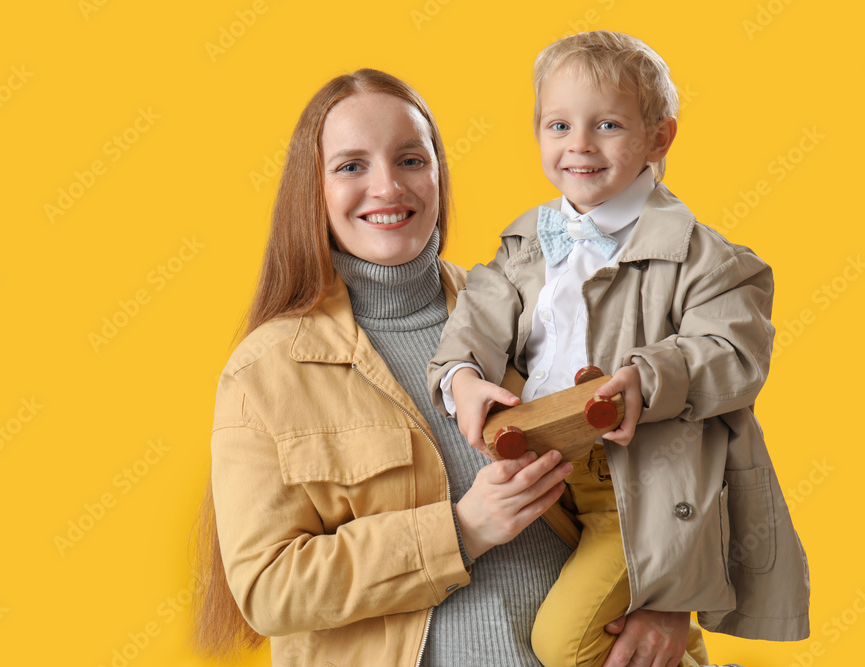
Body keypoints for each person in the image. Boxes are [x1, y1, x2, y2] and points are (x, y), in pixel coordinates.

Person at [194, 67, 710, 666]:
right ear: (312, 189)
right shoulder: (266, 373)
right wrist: (462, 531)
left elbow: (666, 455)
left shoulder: (534, 304)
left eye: (411, 159)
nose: (387, 187)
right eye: (351, 166)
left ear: (438, 173)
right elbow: (269, 589)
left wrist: (674, 599)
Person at [427, 31, 810, 667]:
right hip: (549, 474)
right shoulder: (526, 244)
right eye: (558, 125)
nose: (579, 144)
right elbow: (476, 318)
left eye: (607, 124)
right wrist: (462, 377)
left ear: (659, 139)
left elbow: (734, 351)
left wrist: (648, 378)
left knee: (565, 646)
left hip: (642, 492)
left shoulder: (705, 259)